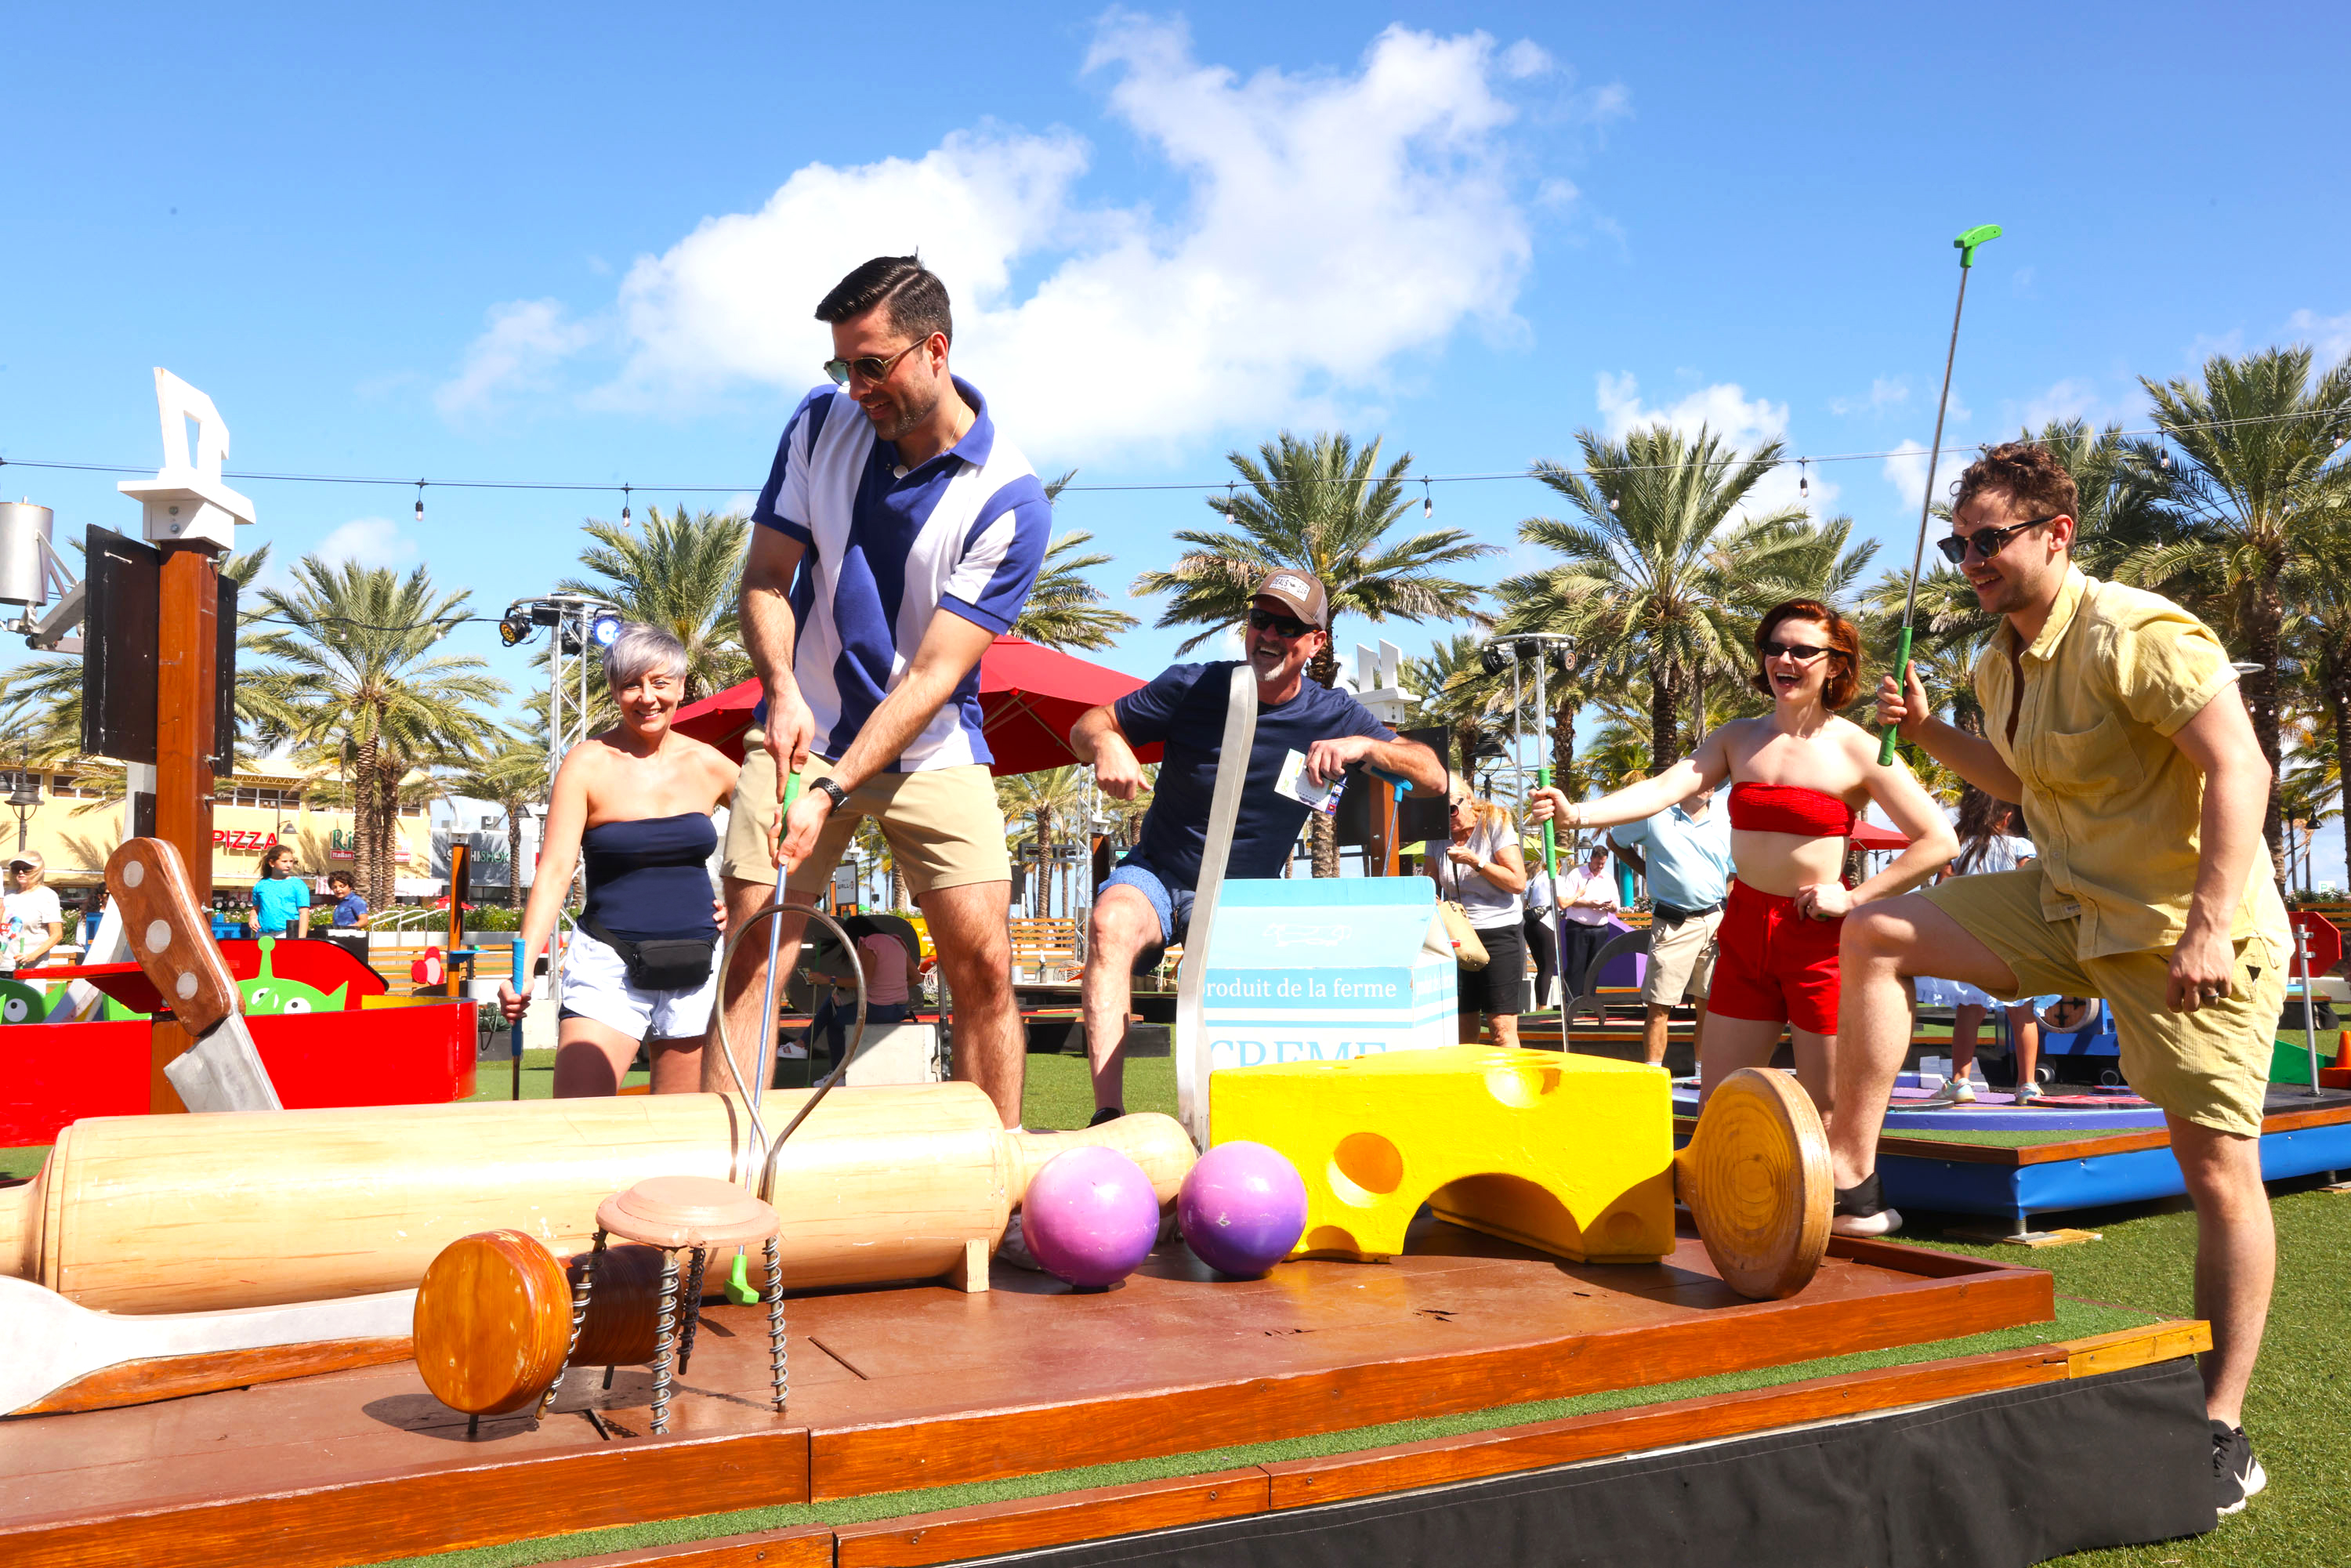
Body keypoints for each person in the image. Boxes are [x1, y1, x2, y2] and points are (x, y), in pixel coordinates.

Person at [1850, 441, 2284, 1512]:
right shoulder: (1998, 663)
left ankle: (2222, 1425)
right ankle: (1853, 1180)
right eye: (1958, 545)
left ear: (2057, 534)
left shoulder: (2140, 634)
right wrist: (1931, 733)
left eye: (1989, 541)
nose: (1970, 562)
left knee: (2219, 1174)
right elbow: (2019, 780)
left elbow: (2243, 766)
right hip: (2066, 903)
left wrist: (2208, 926)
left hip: (2181, 931)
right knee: (1875, 932)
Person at [713, 255, 1051, 1131]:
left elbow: (935, 676)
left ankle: (994, 1175)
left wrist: (832, 789)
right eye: (842, 366)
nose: (854, 387)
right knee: (754, 956)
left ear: (935, 351)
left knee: (984, 966)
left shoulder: (1010, 499)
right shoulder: (818, 422)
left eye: (872, 365)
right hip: (802, 733)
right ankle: (723, 1185)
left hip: (931, 748)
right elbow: (766, 576)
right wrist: (782, 689)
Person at [1529, 599, 1956, 1110]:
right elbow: (1666, 787)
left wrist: (1854, 898)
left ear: (1835, 665)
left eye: (1802, 650)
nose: (1785, 660)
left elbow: (1939, 840)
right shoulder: (1738, 737)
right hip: (1744, 930)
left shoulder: (1858, 748)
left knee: (1826, 1108)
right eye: (1774, 647)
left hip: (1819, 937)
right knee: (1723, 1103)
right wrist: (1576, 813)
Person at [1070, 570, 1444, 1121]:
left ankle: (1238, 1126)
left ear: (1316, 642)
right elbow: (1087, 726)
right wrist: (1106, 741)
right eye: (1260, 619)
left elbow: (1432, 775)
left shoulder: (1333, 713)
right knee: (1110, 923)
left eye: (1287, 627)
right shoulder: (1192, 686)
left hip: (1241, 896)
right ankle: (1108, 1117)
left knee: (1255, 985)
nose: (1268, 635)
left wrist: (1365, 746)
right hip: (1160, 872)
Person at [499, 624, 737, 1096]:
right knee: (578, 1118)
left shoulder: (710, 763)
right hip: (607, 962)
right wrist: (522, 970)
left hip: (698, 963)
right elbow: (554, 870)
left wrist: (742, 901)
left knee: (680, 1127)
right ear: (614, 691)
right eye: (631, 684)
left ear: (681, 686)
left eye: (659, 682)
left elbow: (780, 834)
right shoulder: (587, 762)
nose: (647, 697)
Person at [1913, 788, 2044, 1106]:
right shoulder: (2020, 846)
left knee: (1970, 1009)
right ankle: (2027, 1085)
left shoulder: (1958, 849)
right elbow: (2032, 884)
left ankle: (1961, 1081)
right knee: (2022, 1010)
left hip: (1972, 938)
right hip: (2015, 939)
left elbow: (1942, 890)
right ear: (2008, 817)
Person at [1608, 783, 1733, 1070]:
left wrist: (1728, 915)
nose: (1707, 785)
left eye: (1713, 780)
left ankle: (1703, 1076)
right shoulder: (1654, 816)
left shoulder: (1725, 822)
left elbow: (1733, 873)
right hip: (1672, 924)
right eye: (1700, 778)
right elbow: (1615, 841)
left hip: (1715, 922)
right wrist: (1646, 872)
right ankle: (1653, 1075)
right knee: (1659, 1007)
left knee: (1710, 1007)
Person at [1427, 787, 1531, 1047]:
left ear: (1468, 801)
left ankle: (1509, 1074)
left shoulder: (1494, 824)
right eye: (1438, 813)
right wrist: (1430, 900)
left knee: (1501, 1029)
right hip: (1458, 936)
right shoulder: (1437, 835)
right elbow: (1430, 884)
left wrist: (1476, 862)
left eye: (1451, 810)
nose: (1446, 818)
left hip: (1499, 932)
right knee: (1461, 1029)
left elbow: (1518, 882)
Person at [1549, 842, 1620, 1007]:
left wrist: (1610, 906)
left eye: (1603, 864)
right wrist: (1589, 904)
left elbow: (1617, 905)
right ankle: (1571, 1002)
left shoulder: (1608, 878)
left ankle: (1589, 1001)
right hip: (1578, 928)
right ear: (1592, 859)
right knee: (1576, 966)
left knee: (1594, 967)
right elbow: (1567, 901)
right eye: (1598, 863)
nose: (1600, 867)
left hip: (1600, 928)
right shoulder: (1576, 874)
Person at [1, 852, 63, 974]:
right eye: (16, 868)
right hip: (4, 965)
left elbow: (57, 935)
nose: (21, 872)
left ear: (38, 870)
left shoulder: (47, 896)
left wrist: (32, 956)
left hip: (31, 968)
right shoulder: (8, 894)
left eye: (27, 869)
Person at [1520, 850, 1559, 1009]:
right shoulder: (1555, 879)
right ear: (1557, 867)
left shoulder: (1535, 880)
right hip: (1546, 924)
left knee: (1541, 968)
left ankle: (1539, 1005)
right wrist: (1578, 894)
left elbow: (1525, 904)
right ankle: (1542, 1006)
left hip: (1530, 925)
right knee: (1547, 968)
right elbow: (1563, 903)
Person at [249, 845, 312, 939]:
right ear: (272, 863)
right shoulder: (261, 885)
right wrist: (252, 918)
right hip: (264, 935)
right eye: (284, 861)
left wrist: (301, 939)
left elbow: (304, 913)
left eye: (291, 861)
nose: (289, 865)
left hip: (288, 934)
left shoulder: (298, 885)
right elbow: (255, 908)